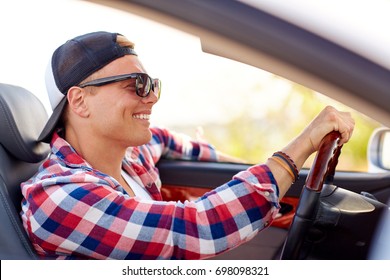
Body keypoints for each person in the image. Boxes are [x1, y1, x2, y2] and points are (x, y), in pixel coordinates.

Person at [20, 31, 355, 260]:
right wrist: (300, 147)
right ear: (79, 101)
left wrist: (230, 162)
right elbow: (196, 228)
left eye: (152, 84)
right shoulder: (58, 198)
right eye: (136, 84)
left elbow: (168, 140)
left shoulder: (130, 158)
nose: (151, 97)